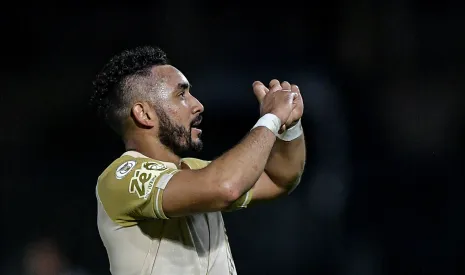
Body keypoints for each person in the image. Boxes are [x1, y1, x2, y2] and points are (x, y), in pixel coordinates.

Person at [90, 46, 306, 275]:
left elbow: (279, 178)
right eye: (181, 94)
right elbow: (226, 187)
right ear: (144, 114)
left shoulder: (195, 172)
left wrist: (289, 127)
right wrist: (271, 119)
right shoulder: (122, 177)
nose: (198, 104)